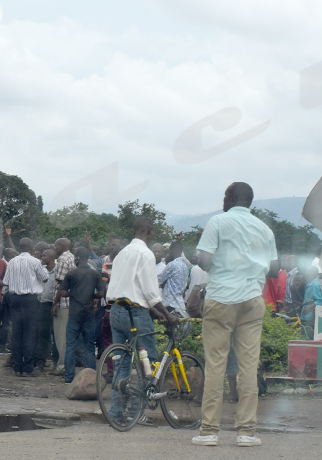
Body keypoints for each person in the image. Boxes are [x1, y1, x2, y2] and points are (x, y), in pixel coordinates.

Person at [192, 182, 278, 448]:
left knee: (216, 365)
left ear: (230, 198)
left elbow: (205, 261)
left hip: (220, 299)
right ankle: (246, 432)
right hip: (252, 301)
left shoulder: (217, 222)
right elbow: (274, 269)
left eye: (224, 196)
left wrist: (201, 257)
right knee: (248, 366)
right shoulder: (264, 229)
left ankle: (209, 431)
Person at [106, 217, 177, 426]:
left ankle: (116, 412)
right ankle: (138, 412)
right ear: (149, 230)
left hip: (117, 311)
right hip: (136, 314)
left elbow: (130, 286)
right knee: (151, 361)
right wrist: (166, 313)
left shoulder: (122, 253)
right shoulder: (145, 254)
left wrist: (154, 312)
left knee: (122, 363)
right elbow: (149, 291)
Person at [3, 237, 49, 377]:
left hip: (15, 299)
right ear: (31, 247)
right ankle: (28, 367)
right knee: (30, 334)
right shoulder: (35, 261)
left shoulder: (12, 261)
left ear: (20, 246)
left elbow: (6, 281)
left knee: (17, 333)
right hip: (30, 300)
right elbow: (45, 277)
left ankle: (17, 367)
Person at [59, 247, 106, 384]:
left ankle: (68, 376)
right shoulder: (95, 274)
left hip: (74, 313)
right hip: (89, 314)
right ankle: (90, 377)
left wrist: (72, 293)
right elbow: (102, 294)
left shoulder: (71, 274)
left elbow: (62, 293)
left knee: (70, 345)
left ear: (77, 257)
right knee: (89, 347)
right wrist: (92, 295)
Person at [51, 238, 75, 374]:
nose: (55, 248)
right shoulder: (71, 257)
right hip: (69, 302)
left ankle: (62, 366)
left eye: (56, 246)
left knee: (61, 336)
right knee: (66, 336)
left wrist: (54, 304)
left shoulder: (62, 260)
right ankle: (64, 365)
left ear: (61, 246)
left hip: (62, 303)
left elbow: (61, 284)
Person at [35, 249, 57, 371]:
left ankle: (56, 362)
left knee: (55, 334)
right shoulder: (40, 271)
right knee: (42, 333)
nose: (42, 257)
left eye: (45, 255)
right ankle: (40, 361)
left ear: (52, 257)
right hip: (42, 304)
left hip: (53, 305)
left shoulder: (58, 271)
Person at [158, 241, 189, 313]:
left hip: (170, 304)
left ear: (172, 251)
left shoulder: (172, 264)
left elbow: (159, 279)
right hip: (180, 304)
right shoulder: (185, 266)